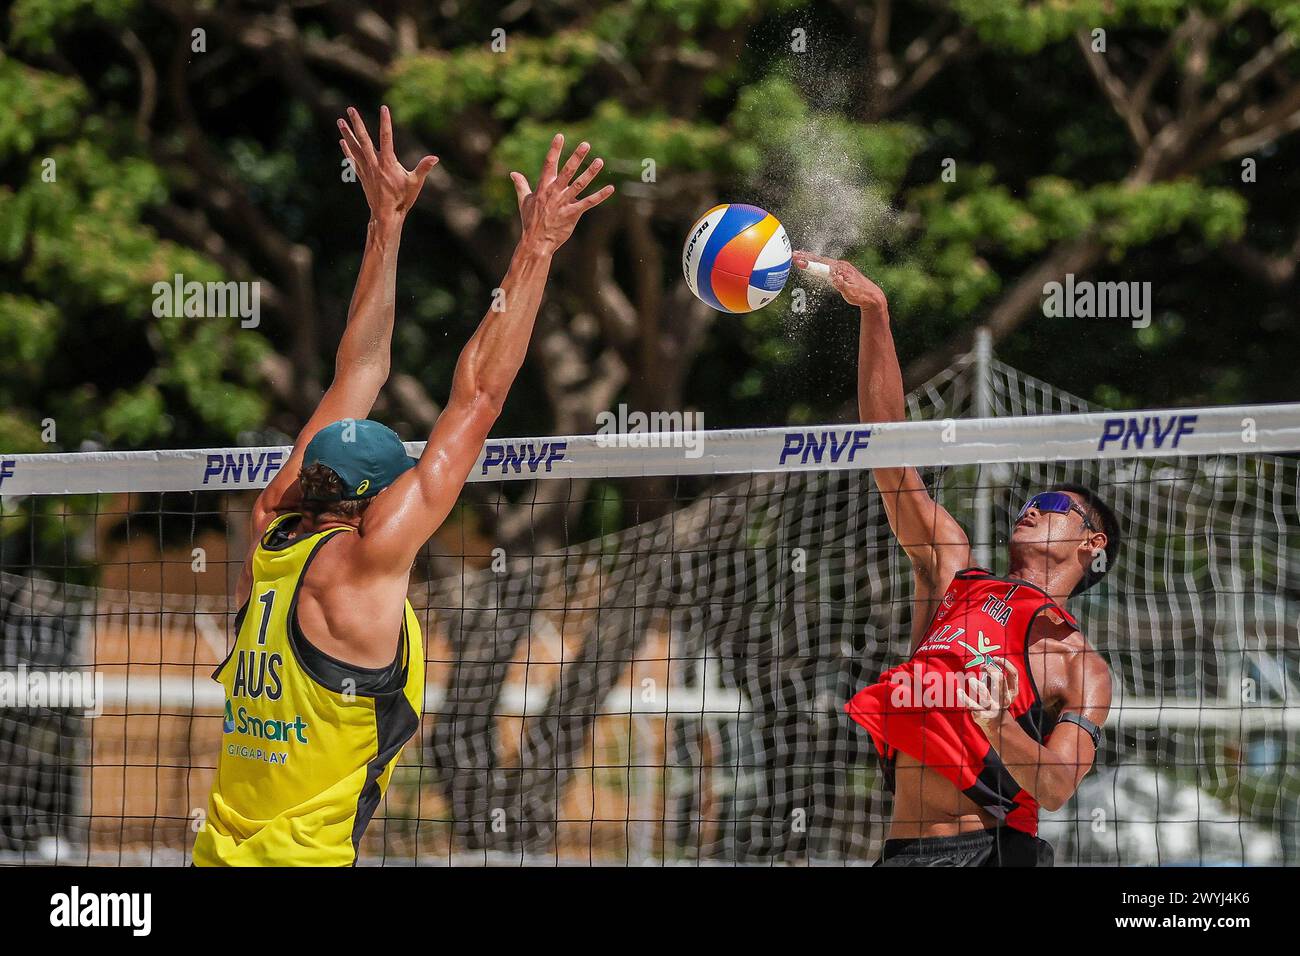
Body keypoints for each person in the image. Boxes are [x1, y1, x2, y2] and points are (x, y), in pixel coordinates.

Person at [193, 106, 613, 865]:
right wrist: (537, 247)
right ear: (378, 501)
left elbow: (359, 370)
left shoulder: (270, 530)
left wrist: (385, 224)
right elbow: (479, 398)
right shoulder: (364, 559)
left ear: (309, 478)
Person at [792, 251, 1118, 867]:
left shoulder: (1081, 667)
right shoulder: (953, 570)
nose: (1031, 507)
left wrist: (1000, 723)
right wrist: (876, 314)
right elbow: (885, 451)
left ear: (1090, 546)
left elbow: (1054, 786)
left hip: (994, 852)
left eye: (1051, 504)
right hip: (904, 852)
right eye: (1030, 499)